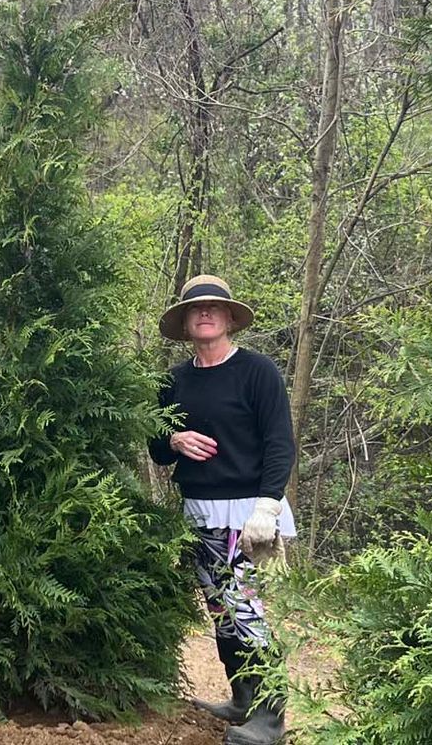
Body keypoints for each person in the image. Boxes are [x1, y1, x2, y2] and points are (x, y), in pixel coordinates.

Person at [148, 274, 295, 745]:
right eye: (196, 309)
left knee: (245, 608)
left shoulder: (257, 371)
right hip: (199, 511)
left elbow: (280, 442)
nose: (205, 313)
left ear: (230, 318)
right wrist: (173, 438)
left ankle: (270, 717)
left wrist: (267, 506)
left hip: (249, 514)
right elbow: (157, 449)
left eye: (214, 307)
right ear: (185, 323)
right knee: (221, 609)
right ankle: (242, 698)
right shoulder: (173, 381)